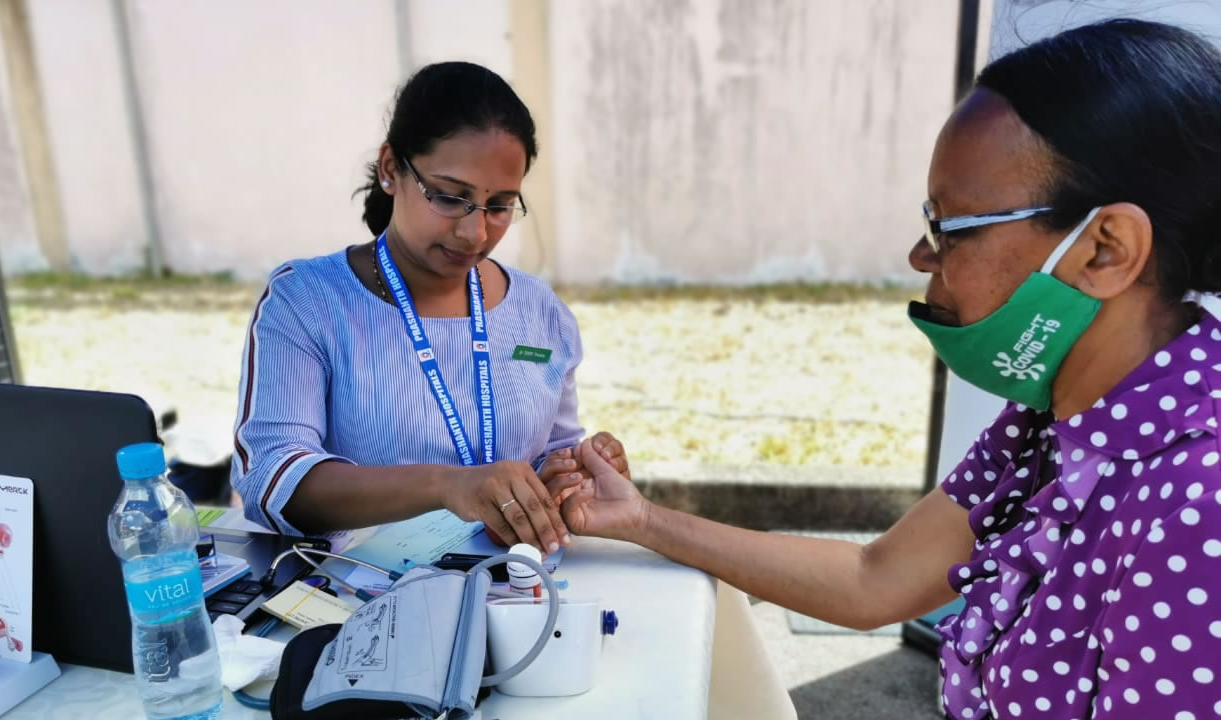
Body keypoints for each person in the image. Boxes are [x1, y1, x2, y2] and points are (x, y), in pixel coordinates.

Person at [557, 19, 1221, 720]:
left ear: (1106, 249)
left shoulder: (1198, 497)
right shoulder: (1057, 421)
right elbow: (875, 578)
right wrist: (641, 520)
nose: (921, 256)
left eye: (950, 227)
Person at [230, 61, 627, 553]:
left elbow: (552, 454)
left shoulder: (539, 312)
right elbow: (272, 477)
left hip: (520, 589)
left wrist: (576, 472)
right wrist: (448, 486)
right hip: (361, 596)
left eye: (499, 206)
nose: (475, 232)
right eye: (448, 196)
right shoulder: (309, 301)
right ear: (391, 168)